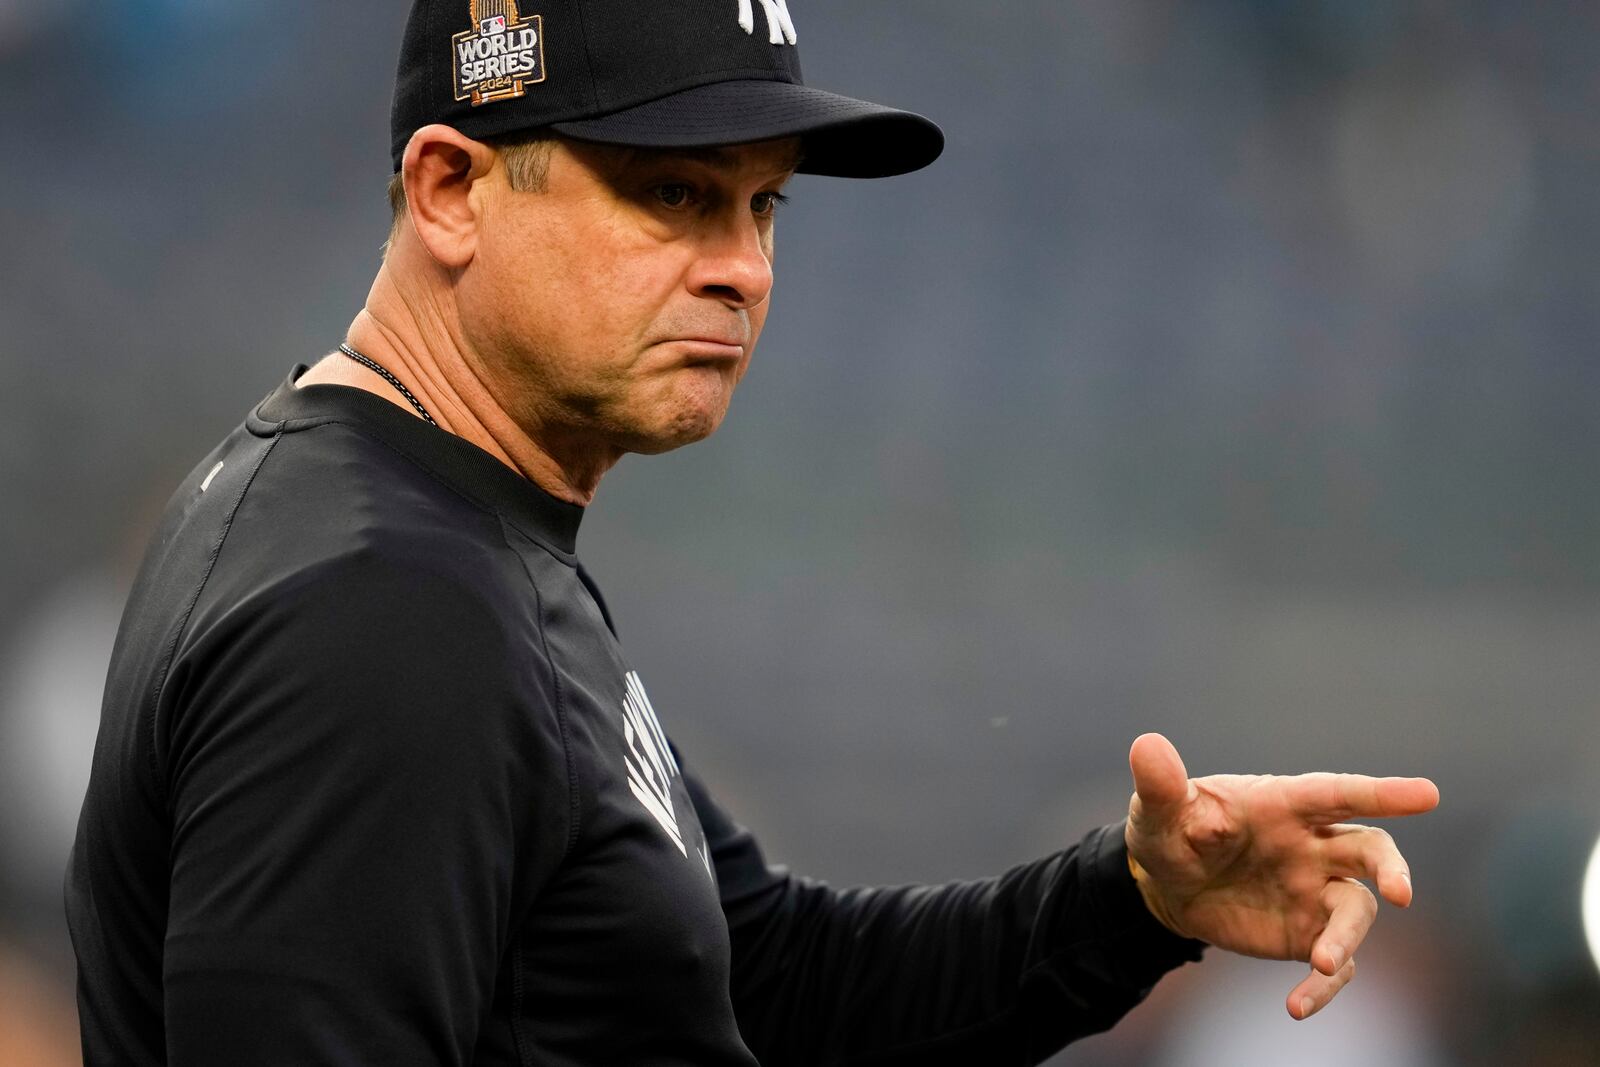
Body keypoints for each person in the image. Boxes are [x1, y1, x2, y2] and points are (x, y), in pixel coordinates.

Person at [65, 1, 1440, 1064]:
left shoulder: (442, 539)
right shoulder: (384, 610)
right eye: (673, 193)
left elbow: (765, 985)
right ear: (449, 190)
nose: (742, 265)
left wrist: (1131, 902)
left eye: (760, 202)